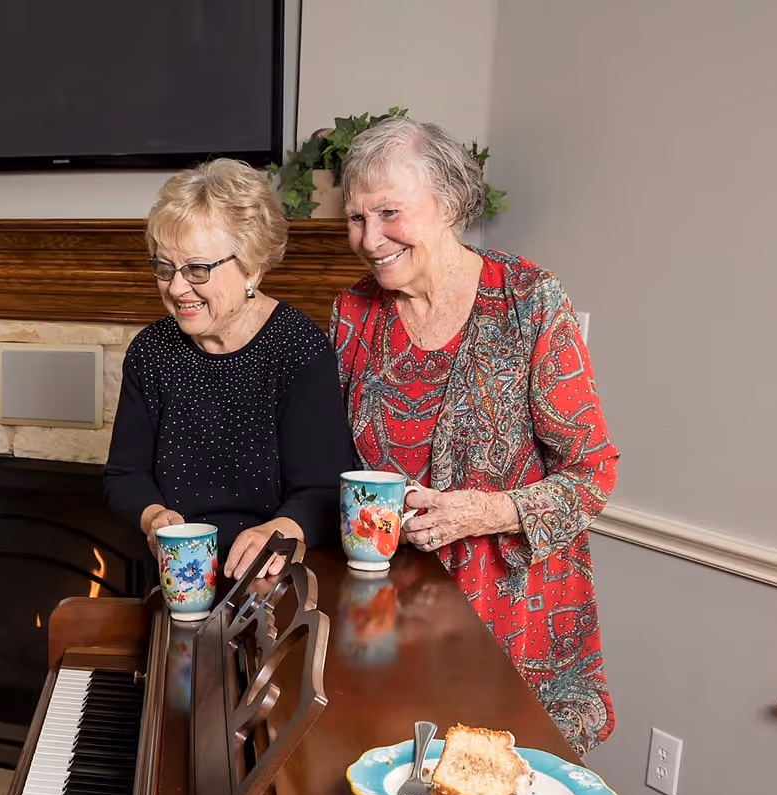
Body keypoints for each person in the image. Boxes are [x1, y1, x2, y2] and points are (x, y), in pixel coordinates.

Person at [331, 116, 620, 754]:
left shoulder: (529, 301)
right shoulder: (351, 313)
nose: (369, 238)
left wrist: (481, 511)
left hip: (513, 625)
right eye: (355, 218)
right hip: (393, 622)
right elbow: (335, 462)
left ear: (451, 203)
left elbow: (594, 475)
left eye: (389, 212)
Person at [104, 158, 356, 582]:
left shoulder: (297, 349)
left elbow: (323, 491)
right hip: (178, 577)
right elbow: (125, 475)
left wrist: (278, 532)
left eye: (197, 269)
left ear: (251, 266)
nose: (177, 287)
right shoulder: (150, 352)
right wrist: (153, 516)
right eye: (164, 268)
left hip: (272, 578)